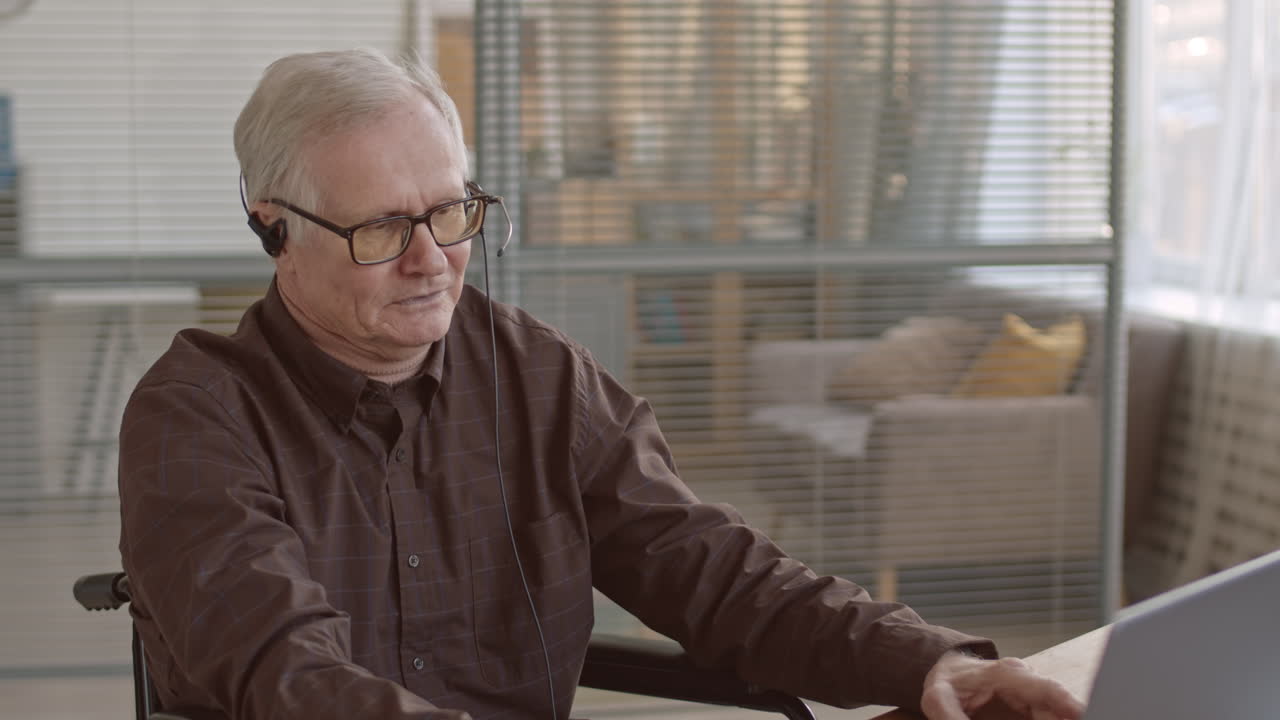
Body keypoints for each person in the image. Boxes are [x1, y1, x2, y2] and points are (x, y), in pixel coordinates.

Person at [117, 49, 1083, 720]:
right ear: (272, 225)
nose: (432, 262)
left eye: (451, 214)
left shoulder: (536, 376)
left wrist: (927, 662)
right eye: (380, 230)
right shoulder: (197, 416)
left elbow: (713, 570)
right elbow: (286, 672)